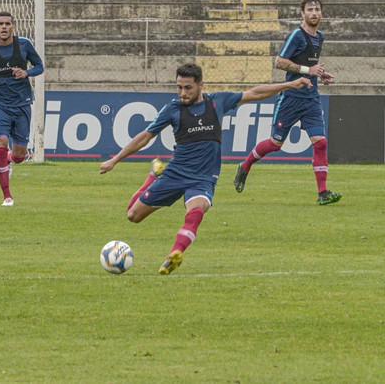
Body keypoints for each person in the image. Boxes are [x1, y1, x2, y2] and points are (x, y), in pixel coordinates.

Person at [99, 64, 311, 275]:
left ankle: (175, 254)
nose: (183, 93)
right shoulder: (172, 110)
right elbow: (145, 136)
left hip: (203, 178)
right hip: (175, 173)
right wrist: (115, 159)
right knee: (132, 216)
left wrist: (290, 84)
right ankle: (153, 176)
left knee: (196, 210)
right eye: (179, 87)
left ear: (201, 85)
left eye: (188, 88)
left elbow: (255, 92)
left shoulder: (217, 101)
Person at [233, 0, 341, 205]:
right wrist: (307, 70)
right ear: (302, 13)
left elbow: (309, 64)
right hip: (291, 98)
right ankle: (245, 166)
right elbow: (280, 62)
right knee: (275, 144)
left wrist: (320, 74)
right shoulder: (296, 35)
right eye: (309, 9)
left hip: (311, 98)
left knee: (321, 143)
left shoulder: (320, 36)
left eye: (317, 9)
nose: (314, 13)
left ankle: (323, 193)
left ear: (321, 13)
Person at [0, 11, 44, 206]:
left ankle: (9, 160)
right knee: (0, 142)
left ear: (13, 27)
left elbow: (40, 66)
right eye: (0, 24)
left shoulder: (24, 45)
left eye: (7, 24)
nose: (4, 27)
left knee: (19, 155)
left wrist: (26, 72)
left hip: (21, 103)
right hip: (0, 104)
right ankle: (7, 197)